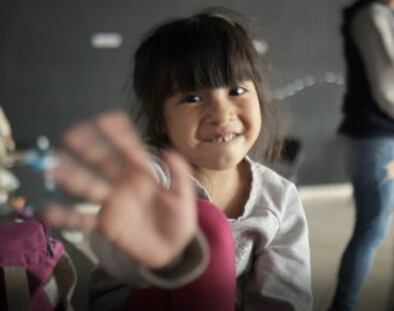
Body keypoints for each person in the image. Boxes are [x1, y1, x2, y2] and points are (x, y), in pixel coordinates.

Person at [43, 8, 313, 311]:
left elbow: (286, 300)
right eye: (193, 98)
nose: (221, 113)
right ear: (160, 119)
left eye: (236, 90)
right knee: (205, 221)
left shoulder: (279, 197)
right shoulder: (150, 177)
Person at [330, 0, 394, 310]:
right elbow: (390, 88)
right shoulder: (372, 15)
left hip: (392, 142)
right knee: (372, 229)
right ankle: (343, 305)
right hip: (376, 142)